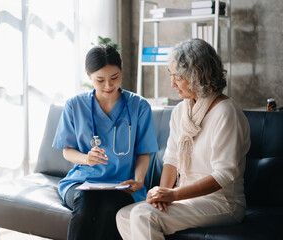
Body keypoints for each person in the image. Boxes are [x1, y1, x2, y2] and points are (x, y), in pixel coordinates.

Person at [116, 38, 251, 240]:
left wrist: (174, 195)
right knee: (124, 215)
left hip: (222, 202)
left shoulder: (226, 112)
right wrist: (162, 194)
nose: (172, 84)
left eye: (177, 77)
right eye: (171, 76)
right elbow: (171, 160)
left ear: (196, 75)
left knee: (143, 216)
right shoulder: (181, 110)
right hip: (186, 197)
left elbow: (224, 175)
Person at [52, 44, 159, 240]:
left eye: (114, 78)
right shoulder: (74, 105)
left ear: (122, 69)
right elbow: (67, 151)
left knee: (111, 208)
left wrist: (139, 180)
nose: (108, 86)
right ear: (88, 75)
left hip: (122, 183)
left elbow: (144, 152)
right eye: (100, 80)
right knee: (85, 205)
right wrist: (86, 158)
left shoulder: (139, 106)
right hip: (81, 182)